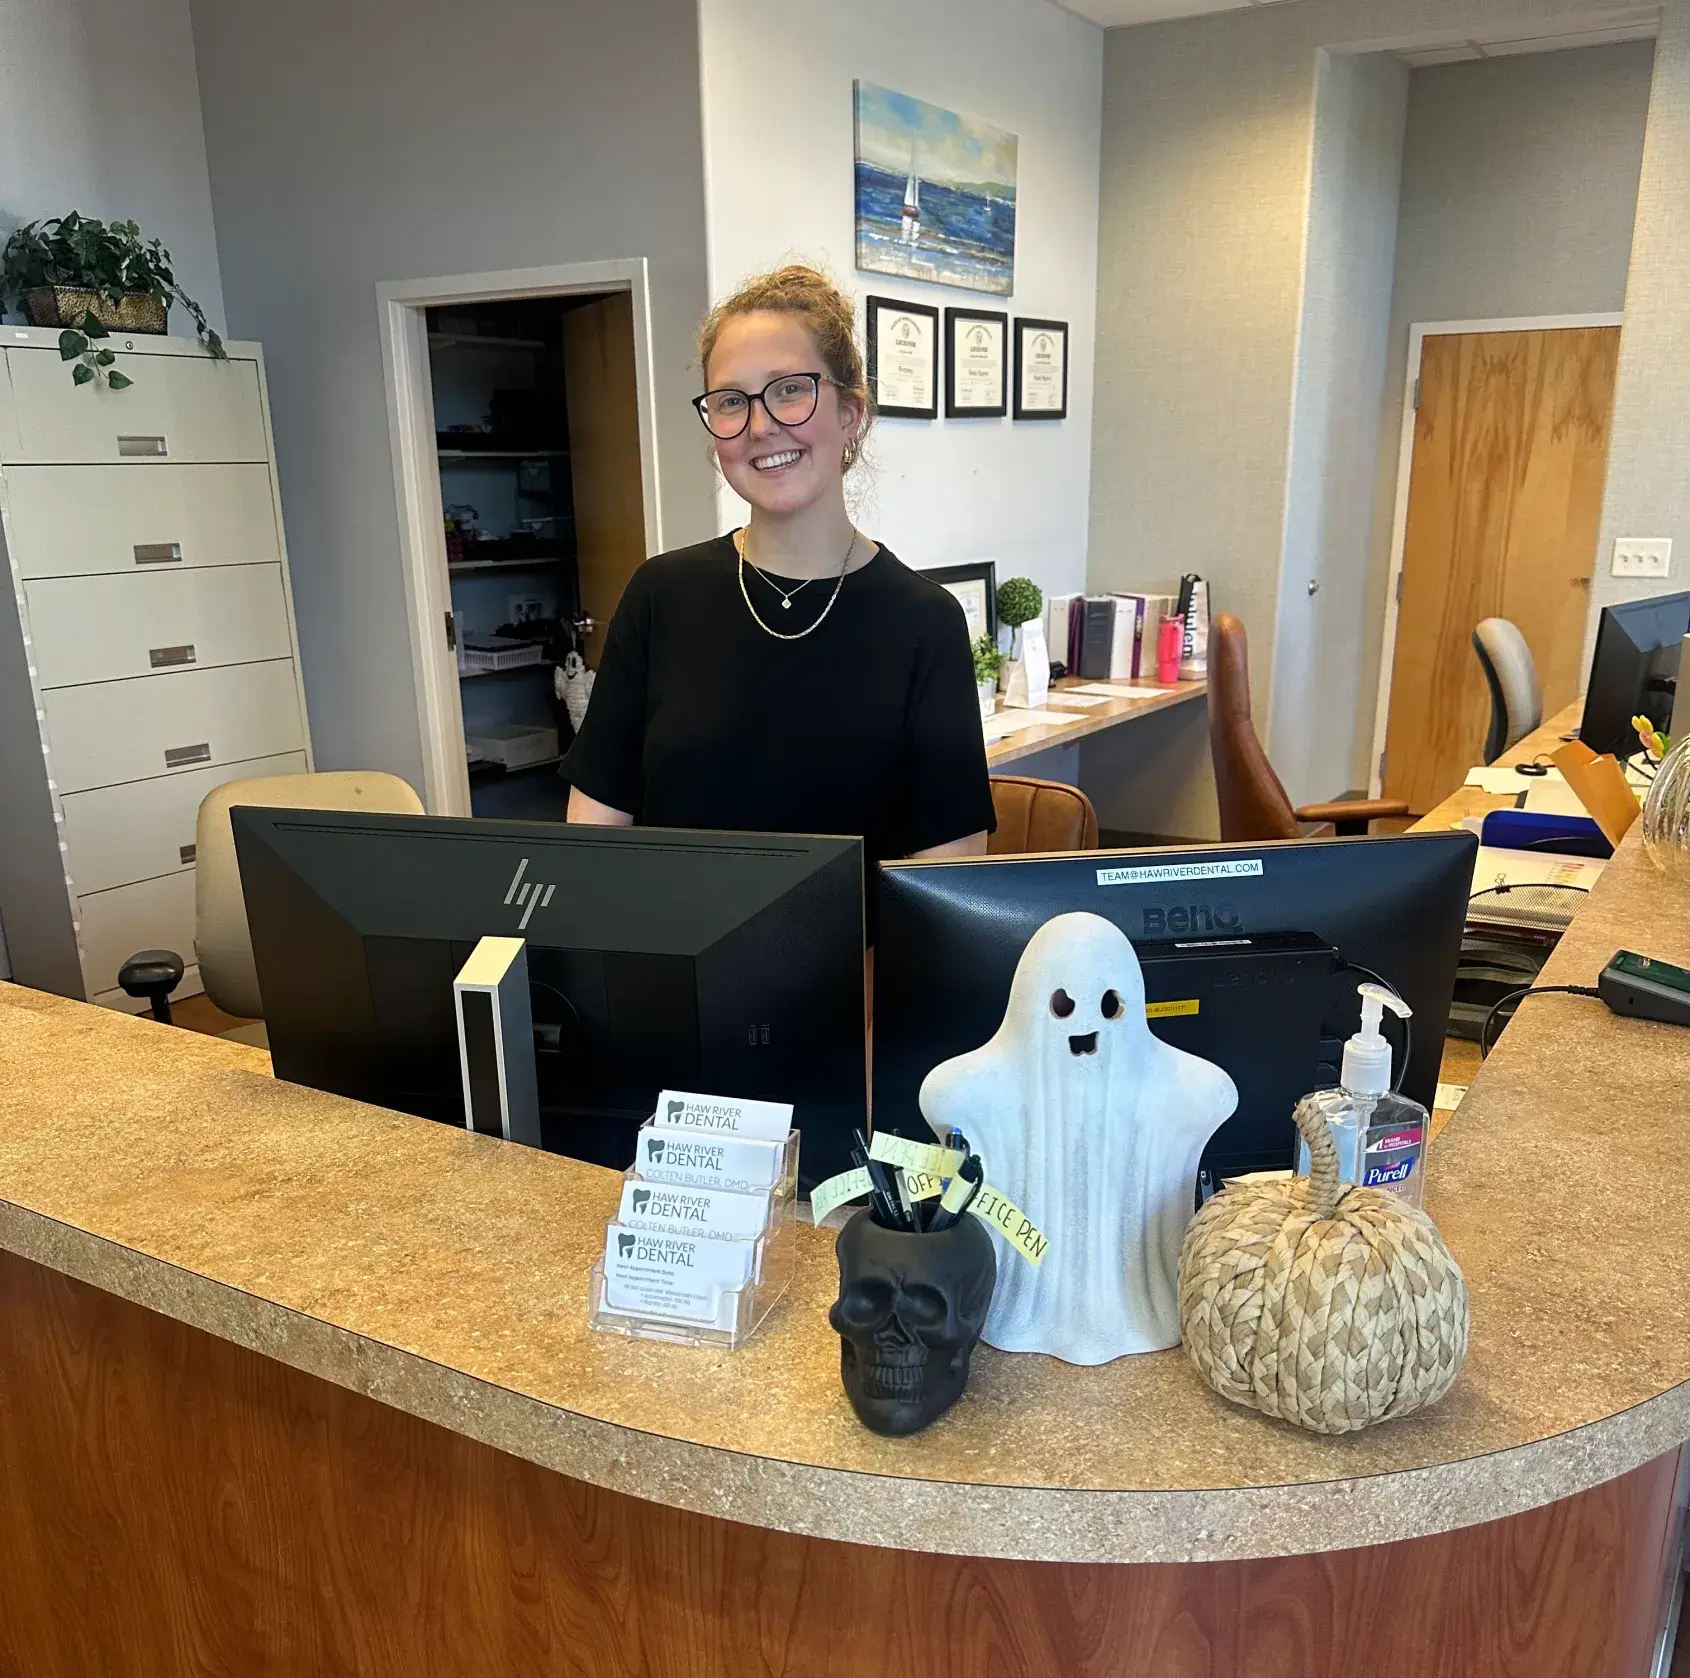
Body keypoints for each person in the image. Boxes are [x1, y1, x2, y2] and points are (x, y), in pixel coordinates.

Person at [562, 264, 995, 919]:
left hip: (854, 1002)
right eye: (731, 401)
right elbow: (592, 843)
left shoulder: (923, 623)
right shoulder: (662, 596)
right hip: (672, 997)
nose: (760, 425)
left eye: (789, 391)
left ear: (852, 412)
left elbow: (951, 884)